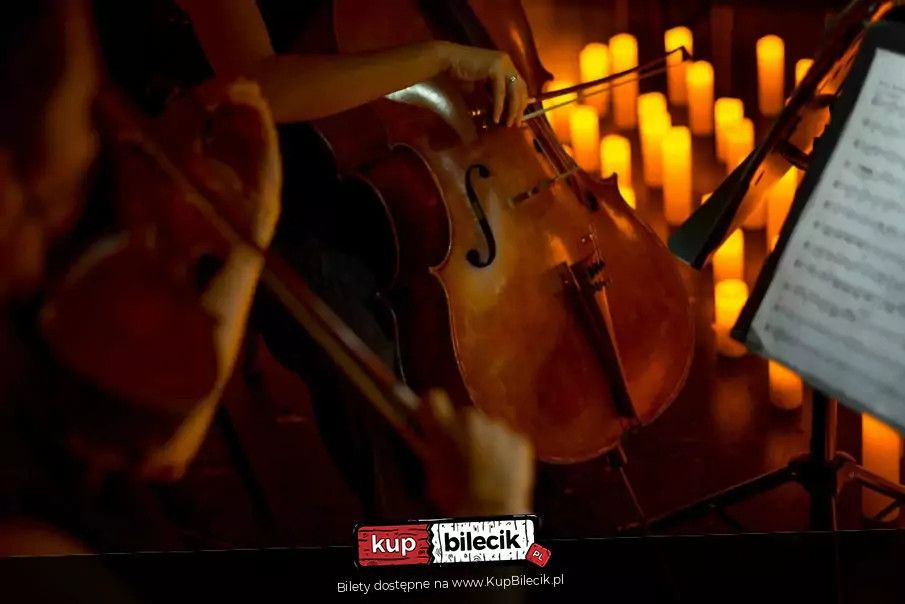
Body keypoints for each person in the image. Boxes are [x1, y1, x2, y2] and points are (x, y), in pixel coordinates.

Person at [0, 0, 533, 556]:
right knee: (353, 339)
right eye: (86, 107)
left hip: (341, 163)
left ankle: (503, 542)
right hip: (242, 163)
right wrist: (438, 56)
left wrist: (259, 218)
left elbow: (168, 448)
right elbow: (261, 81)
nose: (96, 136)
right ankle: (427, 552)